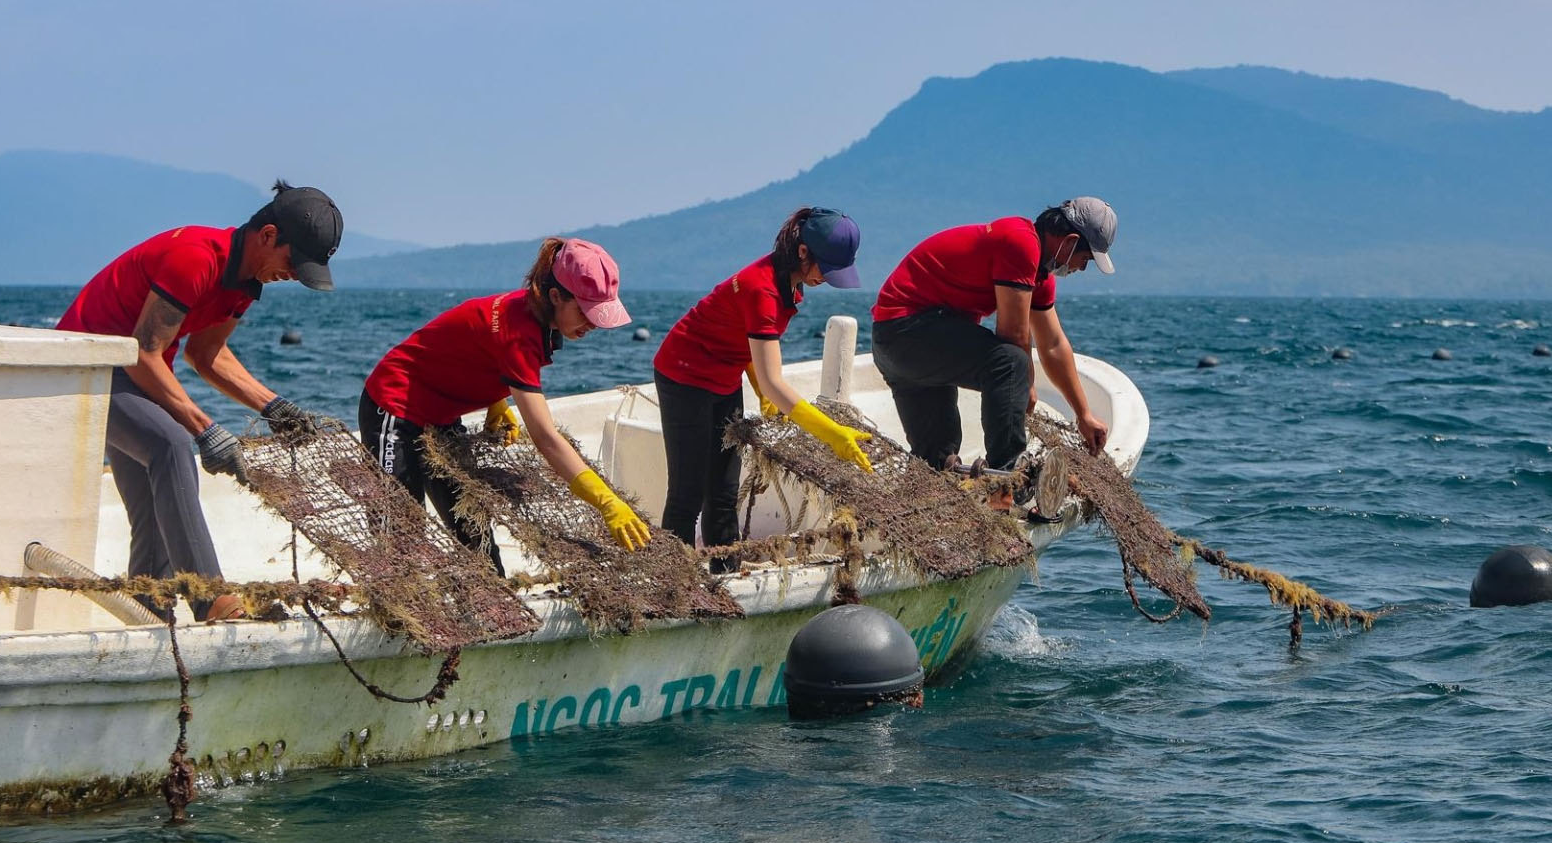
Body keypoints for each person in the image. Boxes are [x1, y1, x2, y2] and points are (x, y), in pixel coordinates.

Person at [58, 182, 342, 614]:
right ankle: (210, 597)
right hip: (82, 372)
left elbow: (206, 355)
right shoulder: (196, 257)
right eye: (293, 262)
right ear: (267, 235)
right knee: (171, 444)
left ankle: (149, 606)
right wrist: (205, 429)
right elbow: (142, 352)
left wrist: (273, 406)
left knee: (157, 504)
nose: (294, 276)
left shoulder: (244, 284)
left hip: (134, 375)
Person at [361, 237, 651, 566]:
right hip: (394, 408)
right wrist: (606, 502)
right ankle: (400, 611)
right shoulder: (520, 335)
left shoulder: (536, 312)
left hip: (441, 417)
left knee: (474, 532)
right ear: (556, 296)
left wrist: (498, 400)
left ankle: (491, 610)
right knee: (400, 538)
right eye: (586, 311)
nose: (593, 323)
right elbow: (546, 438)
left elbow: (474, 344)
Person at [652, 208, 871, 571]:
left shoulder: (789, 282)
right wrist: (832, 435)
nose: (827, 279)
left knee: (723, 493)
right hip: (683, 376)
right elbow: (775, 379)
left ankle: (726, 576)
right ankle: (674, 581)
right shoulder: (762, 288)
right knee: (687, 495)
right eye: (827, 269)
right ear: (803, 252)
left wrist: (761, 391)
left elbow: (749, 346)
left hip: (723, 377)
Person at [870, 197, 1117, 475]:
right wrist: (1026, 388)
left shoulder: (1039, 277)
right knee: (1010, 363)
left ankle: (940, 491)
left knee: (936, 462)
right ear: (1070, 242)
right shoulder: (1019, 241)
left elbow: (1053, 345)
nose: (1081, 269)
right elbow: (1013, 334)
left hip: (906, 346)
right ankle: (1005, 480)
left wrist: (1083, 415)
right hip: (907, 333)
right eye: (1085, 260)